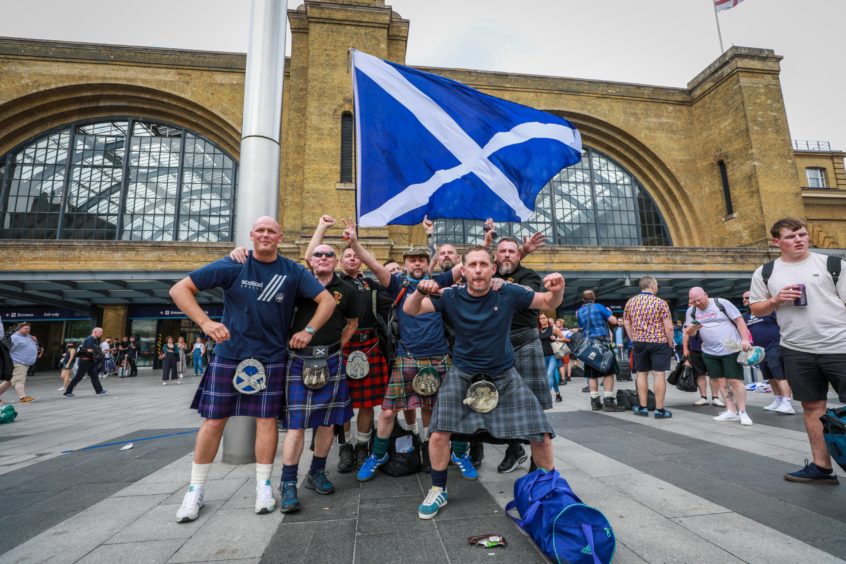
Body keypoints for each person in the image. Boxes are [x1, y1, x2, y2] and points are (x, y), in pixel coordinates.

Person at [168, 215, 334, 522]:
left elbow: (327, 301)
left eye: (272, 231)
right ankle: (195, 491)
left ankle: (263, 487)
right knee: (214, 421)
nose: (266, 235)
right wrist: (205, 323)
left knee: (266, 421)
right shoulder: (234, 265)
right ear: (252, 235)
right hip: (230, 354)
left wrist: (308, 331)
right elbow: (180, 289)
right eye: (260, 230)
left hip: (271, 357)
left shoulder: (292, 271)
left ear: (280, 237)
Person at [404, 247, 564, 519]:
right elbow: (411, 309)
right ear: (463, 270)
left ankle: (550, 492)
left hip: (504, 373)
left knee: (541, 432)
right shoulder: (451, 296)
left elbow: (548, 302)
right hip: (463, 371)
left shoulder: (509, 292)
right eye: (473, 265)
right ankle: (438, 489)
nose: (478, 269)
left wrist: (558, 287)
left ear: (493, 269)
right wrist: (421, 290)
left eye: (483, 264)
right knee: (439, 431)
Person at [344, 223, 477, 482]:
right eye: (412, 260)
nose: (417, 263)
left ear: (429, 262)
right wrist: (355, 244)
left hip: (440, 356)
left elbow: (468, 264)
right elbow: (374, 266)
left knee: (440, 409)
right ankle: (378, 454)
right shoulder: (398, 285)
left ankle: (455, 454)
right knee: (387, 411)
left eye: (421, 260)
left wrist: (483, 238)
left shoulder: (439, 281)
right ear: (406, 264)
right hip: (407, 356)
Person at [749, 217, 846, 484]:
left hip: (840, 345)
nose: (799, 240)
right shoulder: (766, 272)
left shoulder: (832, 264)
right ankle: (821, 467)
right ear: (776, 241)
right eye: (791, 237)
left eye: (802, 234)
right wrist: (775, 299)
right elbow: (756, 308)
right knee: (812, 406)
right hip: (796, 348)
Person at [303, 215, 392, 473]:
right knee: (342, 402)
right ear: (339, 261)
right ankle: (346, 447)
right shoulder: (330, 281)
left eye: (357, 255)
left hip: (370, 345)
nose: (353, 258)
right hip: (341, 346)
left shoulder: (370, 284)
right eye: (348, 256)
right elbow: (311, 258)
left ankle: (362, 446)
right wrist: (322, 226)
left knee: (366, 403)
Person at [276, 241, 358, 512]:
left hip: (331, 358)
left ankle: (317, 472)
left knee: (327, 422)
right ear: (310, 260)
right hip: (299, 359)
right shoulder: (298, 284)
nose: (323, 258)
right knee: (297, 424)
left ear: (336, 261)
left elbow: (352, 324)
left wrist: (336, 349)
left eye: (329, 255)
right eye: (318, 254)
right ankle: (288, 482)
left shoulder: (347, 290)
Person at [685, 287, 753, 426]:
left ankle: (743, 412)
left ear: (706, 294)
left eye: (699, 300)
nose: (698, 303)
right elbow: (690, 333)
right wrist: (693, 328)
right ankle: (731, 410)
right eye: (694, 301)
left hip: (731, 348)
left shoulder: (720, 303)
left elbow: (739, 321)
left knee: (735, 381)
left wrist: (745, 339)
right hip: (709, 351)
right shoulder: (691, 311)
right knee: (721, 381)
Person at [623, 276, 675, 418]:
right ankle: (659, 410)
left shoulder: (631, 302)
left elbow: (627, 323)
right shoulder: (661, 303)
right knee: (658, 374)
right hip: (659, 341)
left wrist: (633, 338)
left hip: (639, 342)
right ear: (652, 286)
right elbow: (669, 327)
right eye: (656, 285)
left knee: (641, 374)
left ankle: (643, 407)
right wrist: (670, 342)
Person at [742, 291, 794, 414]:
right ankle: (778, 399)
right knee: (769, 376)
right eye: (743, 298)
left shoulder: (769, 311)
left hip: (774, 346)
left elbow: (783, 324)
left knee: (779, 375)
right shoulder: (745, 317)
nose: (745, 299)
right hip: (759, 350)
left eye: (748, 297)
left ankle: (787, 402)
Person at [577, 290, 625, 412]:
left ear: (583, 299)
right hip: (602, 343)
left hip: (588, 346)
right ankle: (608, 401)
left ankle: (595, 402)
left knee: (592, 374)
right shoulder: (599, 307)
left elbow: (581, 328)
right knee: (608, 371)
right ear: (594, 298)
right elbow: (614, 321)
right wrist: (609, 312)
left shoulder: (579, 312)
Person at [683, 321, 723, 407]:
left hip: (711, 349)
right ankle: (703, 397)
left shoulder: (711, 317)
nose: (691, 306)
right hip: (695, 350)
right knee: (700, 374)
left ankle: (715, 397)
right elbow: (686, 334)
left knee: (714, 374)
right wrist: (685, 349)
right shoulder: (690, 317)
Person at [63, 327, 108, 398]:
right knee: (78, 376)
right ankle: (67, 392)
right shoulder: (90, 339)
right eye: (100, 332)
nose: (101, 334)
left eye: (102, 332)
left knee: (94, 375)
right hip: (85, 360)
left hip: (90, 360)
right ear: (95, 332)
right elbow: (88, 349)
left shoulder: (94, 339)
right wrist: (99, 352)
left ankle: (99, 391)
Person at [0, 323, 38, 403]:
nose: (28, 330)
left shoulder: (29, 337)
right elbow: (8, 350)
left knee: (8, 382)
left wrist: (35, 341)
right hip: (18, 363)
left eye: (29, 328)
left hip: (25, 364)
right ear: (19, 329)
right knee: (19, 380)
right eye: (26, 328)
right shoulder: (15, 338)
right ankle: (23, 397)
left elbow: (35, 347)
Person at [539, 313, 563, 403]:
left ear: (547, 319)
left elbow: (565, 339)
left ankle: (546, 396)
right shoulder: (538, 330)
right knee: (551, 376)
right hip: (543, 356)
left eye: (544, 318)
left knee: (549, 375)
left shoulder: (553, 328)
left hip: (553, 356)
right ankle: (558, 394)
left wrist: (556, 339)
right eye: (541, 318)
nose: (542, 320)